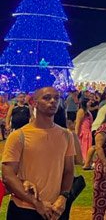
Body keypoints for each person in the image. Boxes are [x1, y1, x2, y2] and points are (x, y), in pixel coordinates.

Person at [1, 87, 75, 219]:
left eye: (56, 98)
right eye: (47, 98)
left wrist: (63, 197)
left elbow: (69, 170)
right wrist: (36, 202)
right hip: (24, 208)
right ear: (34, 103)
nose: (53, 101)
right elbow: (8, 175)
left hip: (56, 209)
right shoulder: (19, 136)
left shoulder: (66, 135)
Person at [75, 98, 94, 167]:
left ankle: (87, 161)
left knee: (87, 147)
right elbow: (78, 123)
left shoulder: (87, 111)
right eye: (89, 102)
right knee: (84, 147)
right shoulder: (81, 111)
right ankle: (84, 160)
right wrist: (76, 135)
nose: (90, 103)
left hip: (88, 132)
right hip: (83, 132)